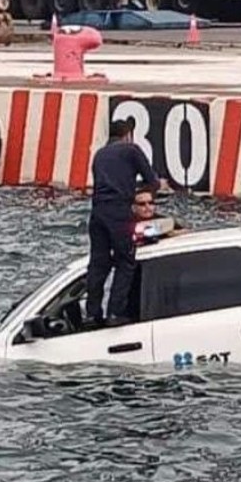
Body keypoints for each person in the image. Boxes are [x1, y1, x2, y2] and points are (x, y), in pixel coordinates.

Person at [84, 117, 164, 327]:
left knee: (98, 264)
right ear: (128, 134)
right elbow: (152, 181)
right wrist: (140, 191)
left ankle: (92, 314)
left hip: (97, 213)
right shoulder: (132, 150)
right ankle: (115, 313)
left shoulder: (99, 155)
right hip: (119, 213)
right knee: (125, 261)